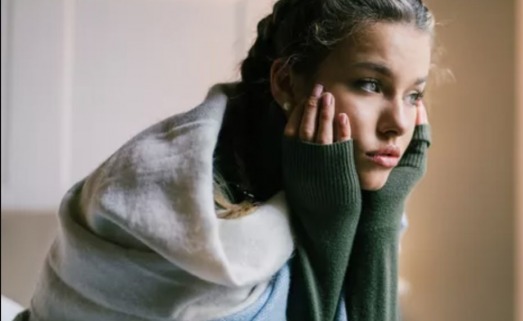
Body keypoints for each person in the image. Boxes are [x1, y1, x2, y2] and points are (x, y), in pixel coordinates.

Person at [15, 0, 434, 320]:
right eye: (369, 84)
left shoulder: (350, 190)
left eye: (414, 94)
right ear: (287, 82)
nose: (399, 123)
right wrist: (330, 231)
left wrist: (379, 217)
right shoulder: (171, 192)